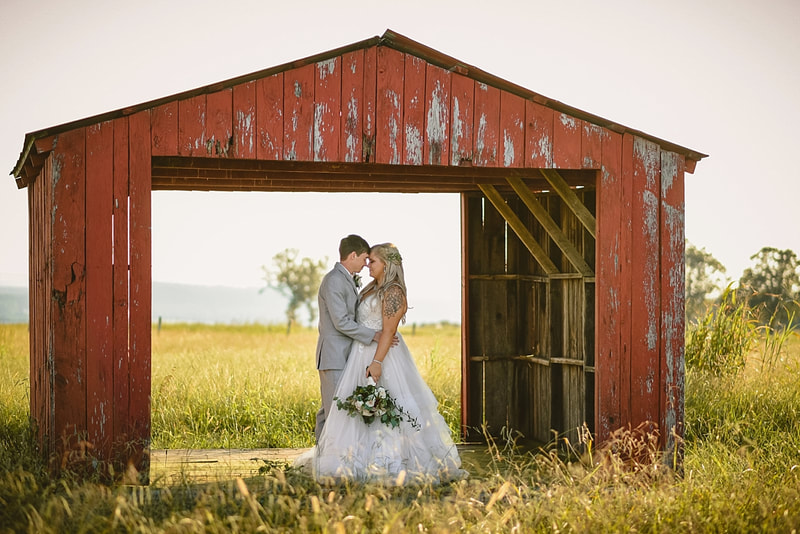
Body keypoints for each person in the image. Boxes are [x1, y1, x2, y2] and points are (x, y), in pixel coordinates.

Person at [296, 243, 466, 485]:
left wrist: (377, 362)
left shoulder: (394, 292)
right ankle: (351, 459)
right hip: (359, 354)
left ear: (386, 264)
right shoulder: (371, 288)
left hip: (383, 355)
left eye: (372, 261)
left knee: (390, 405)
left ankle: (392, 461)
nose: (368, 266)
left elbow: (388, 331)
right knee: (356, 411)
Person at [314, 234, 383, 443]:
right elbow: (341, 322)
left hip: (345, 354)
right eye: (363, 259)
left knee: (332, 409)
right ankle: (327, 457)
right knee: (334, 409)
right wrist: (373, 335)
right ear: (353, 255)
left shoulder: (344, 278)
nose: (365, 265)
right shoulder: (334, 280)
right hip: (334, 355)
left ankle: (327, 455)